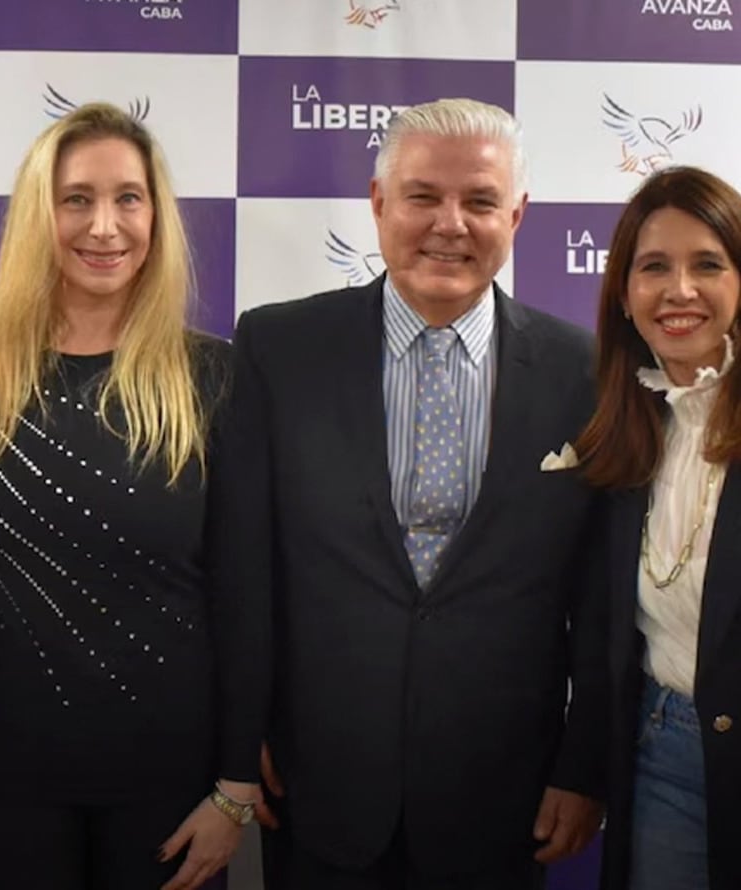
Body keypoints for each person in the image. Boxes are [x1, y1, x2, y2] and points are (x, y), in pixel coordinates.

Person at [209, 97, 608, 889]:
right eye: (423, 196)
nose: (450, 223)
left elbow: (597, 595)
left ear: (519, 214)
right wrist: (236, 736)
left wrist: (585, 764)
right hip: (318, 783)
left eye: (481, 201)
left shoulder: (585, 373)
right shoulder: (277, 348)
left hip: (503, 797)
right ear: (378, 203)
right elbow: (244, 565)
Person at [0, 102, 255, 890]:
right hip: (0, 779)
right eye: (76, 198)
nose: (105, 227)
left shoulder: (212, 378)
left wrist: (236, 786)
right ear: (37, 216)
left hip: (169, 784)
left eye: (129, 198)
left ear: (157, 215)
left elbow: (249, 596)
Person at [572, 166, 741, 890]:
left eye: (708, 264)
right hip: (660, 753)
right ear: (624, 293)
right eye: (653, 268)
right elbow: (602, 631)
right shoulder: (625, 430)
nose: (679, 291)